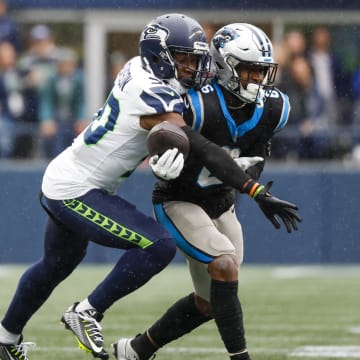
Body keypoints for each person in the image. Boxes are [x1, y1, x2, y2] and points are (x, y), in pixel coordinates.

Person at [0, 14, 300, 360]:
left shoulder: (138, 67)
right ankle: (87, 311)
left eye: (196, 58)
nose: (193, 66)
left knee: (56, 264)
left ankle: (6, 338)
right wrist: (245, 184)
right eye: (184, 58)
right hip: (77, 188)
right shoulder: (154, 93)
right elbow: (193, 141)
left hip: (71, 174)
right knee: (158, 245)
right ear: (159, 55)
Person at [112, 23, 302, 360]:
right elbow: (164, 137)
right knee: (225, 266)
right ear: (226, 66)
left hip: (221, 204)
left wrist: (250, 173)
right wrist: (158, 158)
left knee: (212, 301)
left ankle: (137, 349)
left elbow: (258, 152)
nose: (257, 80)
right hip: (179, 199)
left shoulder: (273, 108)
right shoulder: (195, 103)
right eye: (249, 71)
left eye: (262, 72)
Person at [39, 47, 87, 158]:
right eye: (63, 64)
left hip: (71, 119)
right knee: (55, 146)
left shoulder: (78, 79)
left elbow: (80, 101)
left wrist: (81, 118)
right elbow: (47, 101)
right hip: (56, 119)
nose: (66, 67)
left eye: (69, 64)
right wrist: (47, 119)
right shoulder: (52, 79)